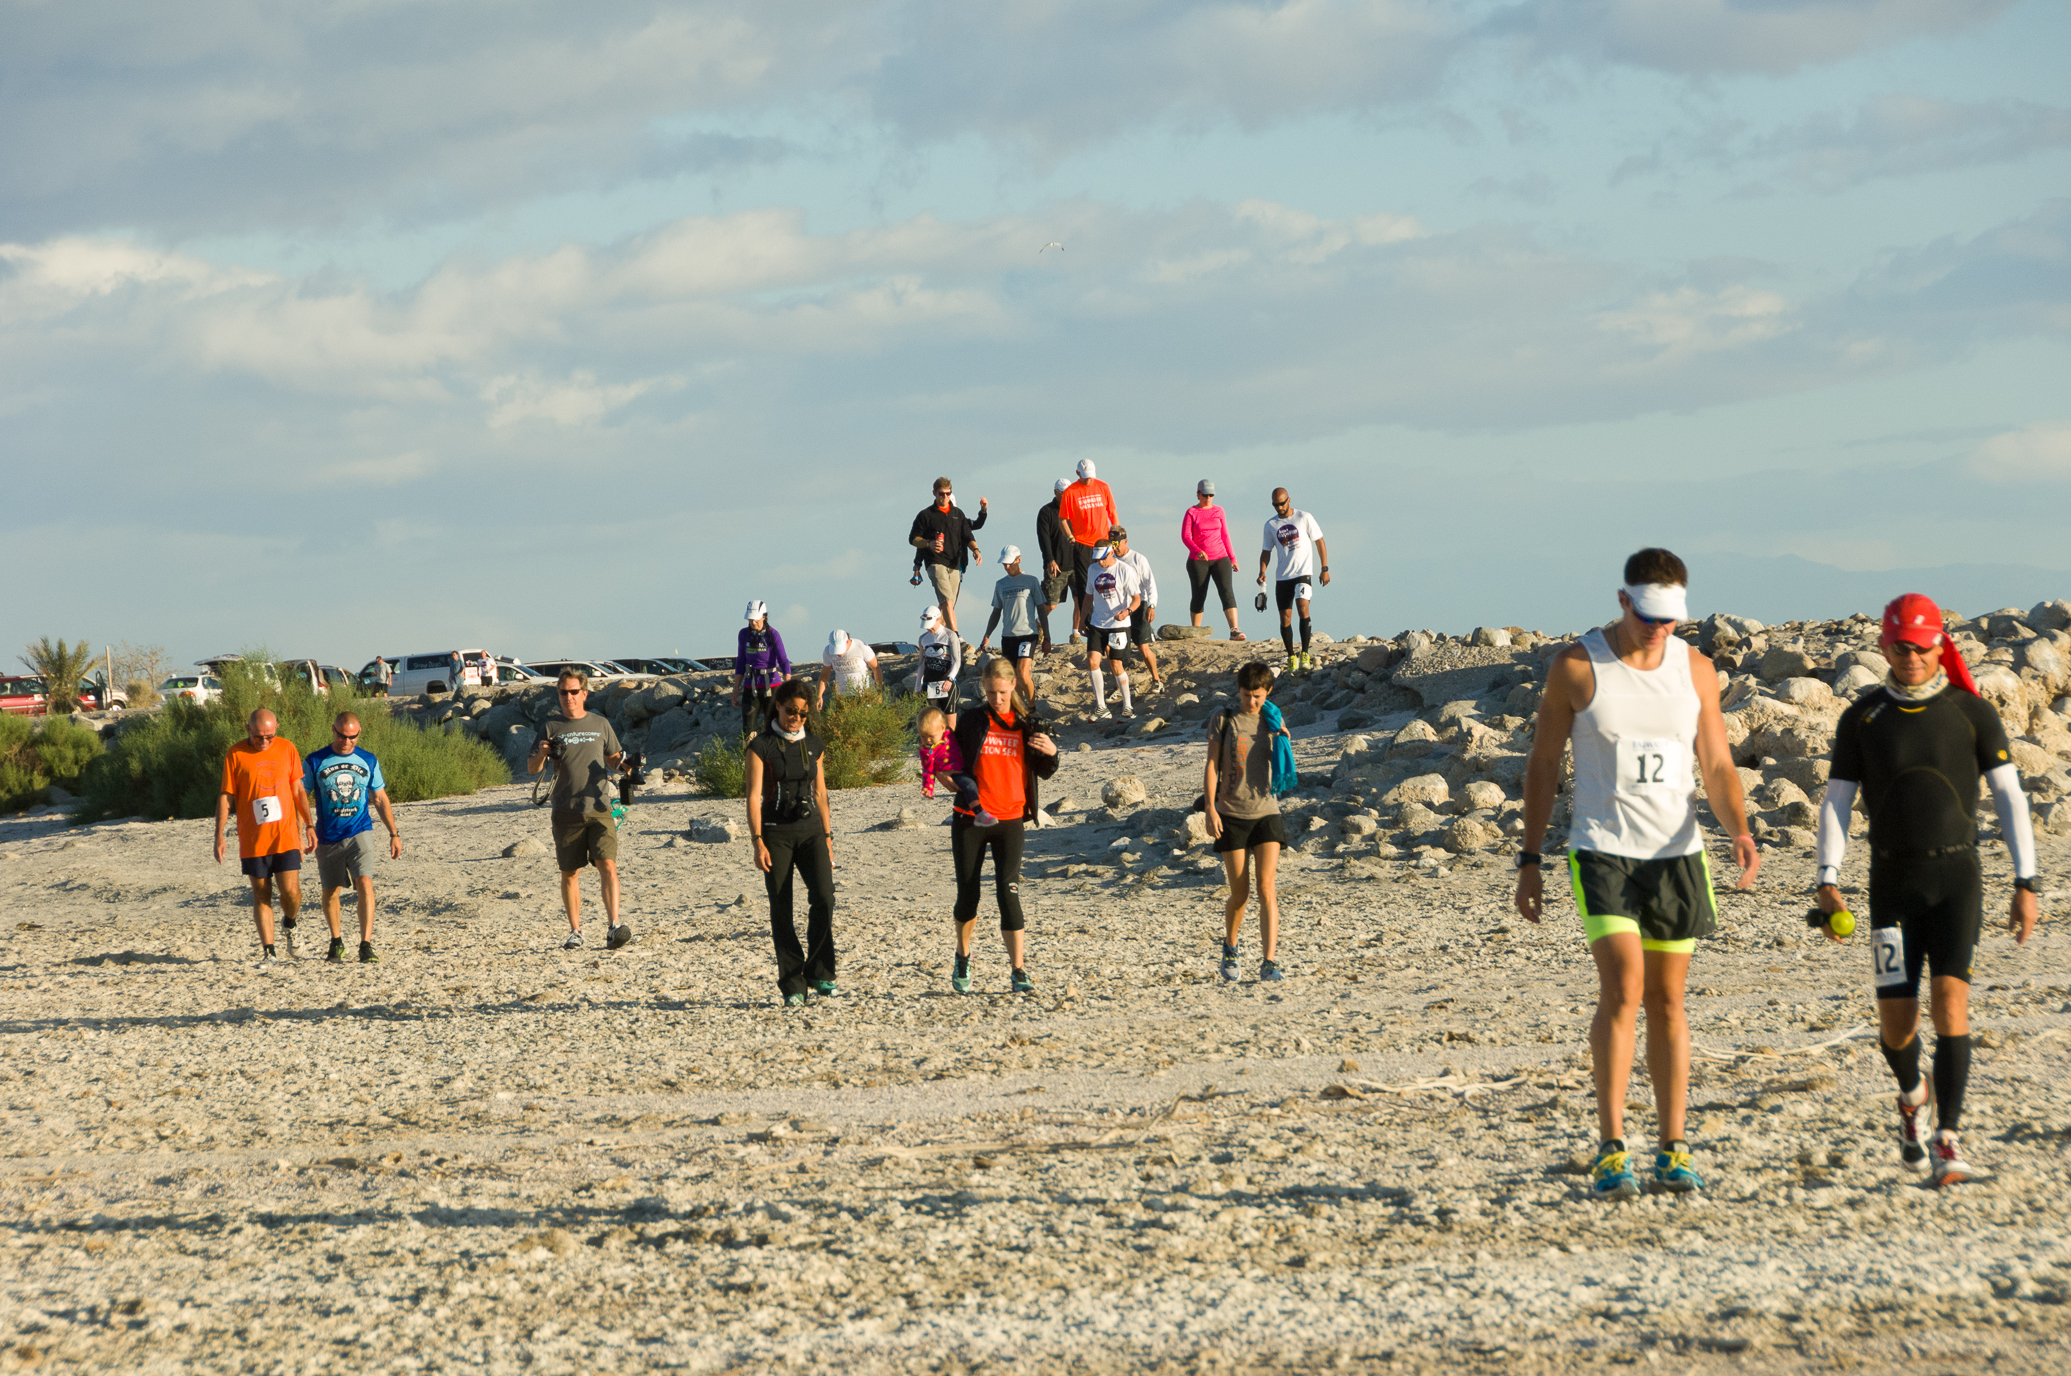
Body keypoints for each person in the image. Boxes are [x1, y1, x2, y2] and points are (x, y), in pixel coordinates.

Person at [1514, 549, 1761, 1201]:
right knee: (1623, 987)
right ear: (1623, 602)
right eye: (1648, 616)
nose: (1659, 629)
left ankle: (1673, 1147)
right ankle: (1610, 1146)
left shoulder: (1695, 669)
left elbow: (1716, 764)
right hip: (1602, 849)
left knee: (1668, 1000)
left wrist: (1737, 827)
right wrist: (1529, 857)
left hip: (1676, 855)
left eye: (1670, 619)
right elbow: (1542, 766)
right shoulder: (1575, 665)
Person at [1815, 593, 2039, 1187]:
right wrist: (1827, 879)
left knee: (1949, 1003)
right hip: (1890, 882)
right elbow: (1837, 801)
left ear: (1940, 645)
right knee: (1897, 1022)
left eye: (1921, 645)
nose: (1911, 656)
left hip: (1956, 878)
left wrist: (2026, 880)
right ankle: (1912, 1096)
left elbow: (2011, 799)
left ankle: (1947, 1139)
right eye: (1900, 646)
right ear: (1886, 647)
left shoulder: (1972, 712)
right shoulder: (1862, 717)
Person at [946, 658, 1060, 994]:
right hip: (971, 819)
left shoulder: (1026, 723)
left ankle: (1018, 969)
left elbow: (1045, 769)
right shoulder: (972, 720)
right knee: (968, 895)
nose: (997, 698)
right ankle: (963, 956)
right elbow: (952, 762)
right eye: (991, 692)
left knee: (1009, 892)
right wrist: (946, 776)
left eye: (1002, 691)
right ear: (984, 687)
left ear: (1013, 686)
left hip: (1011, 819)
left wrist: (1053, 752)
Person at [745, 680, 837, 1006]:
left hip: (811, 830)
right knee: (781, 908)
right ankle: (793, 984)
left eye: (801, 713)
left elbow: (821, 794)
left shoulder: (815, 744)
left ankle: (820, 972)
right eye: (789, 711)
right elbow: (754, 797)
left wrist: (827, 838)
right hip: (775, 834)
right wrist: (757, 842)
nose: (795, 718)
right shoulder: (762, 746)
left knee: (825, 897)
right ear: (778, 707)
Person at [526, 670, 630, 951]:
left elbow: (614, 759)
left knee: (607, 864)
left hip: (599, 807)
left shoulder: (600, 723)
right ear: (558, 695)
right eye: (563, 692)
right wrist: (543, 753)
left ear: (585, 693)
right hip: (565, 810)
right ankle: (575, 931)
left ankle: (614, 926)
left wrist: (627, 766)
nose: (568, 697)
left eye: (574, 692)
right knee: (570, 871)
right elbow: (532, 768)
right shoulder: (550, 727)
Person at [1204, 661, 1291, 982]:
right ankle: (1230, 945)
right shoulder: (1224, 719)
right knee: (1239, 895)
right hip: (1231, 814)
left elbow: (1281, 759)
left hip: (1266, 811)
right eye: (1246, 695)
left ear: (1267, 692)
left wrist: (1283, 737)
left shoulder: (1273, 719)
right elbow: (1212, 765)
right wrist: (1211, 810)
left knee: (1267, 888)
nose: (1251, 701)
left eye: (1257, 695)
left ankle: (1269, 961)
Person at [215, 708, 317, 966]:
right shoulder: (235, 754)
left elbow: (297, 789)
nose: (264, 742)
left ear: (277, 729)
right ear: (248, 729)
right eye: (259, 736)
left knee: (291, 892)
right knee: (261, 894)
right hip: (253, 838)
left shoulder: (287, 748)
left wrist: (308, 824)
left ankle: (290, 923)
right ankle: (269, 952)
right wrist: (219, 835)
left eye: (269, 736)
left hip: (286, 835)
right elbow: (226, 796)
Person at [303, 711, 401, 963]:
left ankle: (365, 944)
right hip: (327, 836)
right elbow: (300, 796)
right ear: (333, 730)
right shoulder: (315, 760)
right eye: (342, 736)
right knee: (331, 891)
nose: (346, 741)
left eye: (352, 737)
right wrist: (306, 827)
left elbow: (379, 798)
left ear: (358, 734)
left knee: (365, 883)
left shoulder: (368, 760)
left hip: (360, 831)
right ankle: (336, 941)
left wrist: (394, 833)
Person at [1257, 488, 1330, 673]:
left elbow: (1319, 541)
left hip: (1303, 572)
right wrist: (1262, 571)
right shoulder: (1270, 525)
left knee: (1302, 607)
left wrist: (1324, 568)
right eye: (1276, 505)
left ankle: (1304, 653)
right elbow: (1266, 551)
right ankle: (1291, 656)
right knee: (1285, 618)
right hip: (1283, 576)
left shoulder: (1304, 517)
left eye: (1282, 503)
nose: (1279, 508)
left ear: (1289, 500)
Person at [908, 478, 987, 638]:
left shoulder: (958, 514)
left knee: (949, 605)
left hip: (955, 565)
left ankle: (935, 636)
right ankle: (955, 637)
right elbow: (913, 540)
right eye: (942, 494)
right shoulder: (926, 515)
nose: (945, 497)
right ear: (934, 493)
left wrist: (976, 550)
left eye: (948, 494)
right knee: (947, 602)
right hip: (935, 563)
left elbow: (968, 533)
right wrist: (927, 547)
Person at [1060, 459, 1120, 642]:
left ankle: (1110, 622)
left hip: (1102, 542)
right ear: (1078, 474)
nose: (1088, 480)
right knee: (1085, 586)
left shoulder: (1103, 486)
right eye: (1085, 477)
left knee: (1108, 582)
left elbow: (1112, 512)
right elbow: (1063, 519)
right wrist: (1070, 537)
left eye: (1090, 477)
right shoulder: (1070, 492)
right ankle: (1088, 625)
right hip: (1082, 544)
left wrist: (1116, 533)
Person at [1083, 542, 1143, 720]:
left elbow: (1136, 599)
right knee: (1092, 661)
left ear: (1111, 554)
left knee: (1116, 664)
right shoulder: (1092, 570)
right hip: (1097, 623)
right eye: (1097, 559)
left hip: (1119, 624)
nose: (1100, 562)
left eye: (1103, 558)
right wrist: (1081, 620)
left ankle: (1128, 705)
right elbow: (1088, 596)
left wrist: (1127, 612)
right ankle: (1101, 707)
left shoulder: (1125, 570)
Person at [978, 546, 1046, 701]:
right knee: (1012, 677)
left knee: (1022, 672)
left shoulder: (1031, 581)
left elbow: (1041, 609)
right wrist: (987, 635)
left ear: (1019, 559)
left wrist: (1047, 637)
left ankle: (1032, 710)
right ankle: (1019, 710)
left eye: (1009, 563)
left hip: (1028, 634)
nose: (1007, 567)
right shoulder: (1000, 584)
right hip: (1008, 636)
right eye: (1004, 564)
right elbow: (996, 612)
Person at [1182, 480, 1243, 640]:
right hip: (1198, 560)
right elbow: (1186, 536)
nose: (1208, 498)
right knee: (1199, 595)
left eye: (1211, 495)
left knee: (1227, 592)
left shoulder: (1219, 511)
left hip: (1220, 557)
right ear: (1198, 494)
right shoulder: (1191, 512)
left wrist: (1233, 558)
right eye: (1205, 495)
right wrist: (1197, 550)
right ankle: (1196, 632)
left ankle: (1234, 630)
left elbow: (1225, 535)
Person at [1109, 527, 1164, 689]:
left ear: (1125, 541)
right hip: (1119, 609)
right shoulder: (1109, 560)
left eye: (1117, 543)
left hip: (1138, 606)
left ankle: (1156, 680)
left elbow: (1149, 583)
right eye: (1112, 543)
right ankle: (1118, 686)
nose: (1115, 546)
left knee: (1143, 646)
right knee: (1113, 649)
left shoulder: (1138, 559)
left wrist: (1152, 605)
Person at [732, 601, 791, 740]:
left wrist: (788, 685)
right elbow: (740, 661)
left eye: (756, 619)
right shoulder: (743, 634)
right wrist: (736, 689)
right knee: (748, 728)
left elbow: (783, 660)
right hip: (750, 685)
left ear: (764, 616)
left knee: (774, 725)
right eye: (750, 619)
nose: (753, 622)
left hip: (771, 686)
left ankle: (773, 756)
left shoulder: (773, 635)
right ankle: (751, 757)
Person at [1035, 478, 1071, 650]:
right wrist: (1050, 559)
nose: (1065, 496)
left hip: (1076, 561)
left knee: (1080, 600)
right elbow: (1044, 539)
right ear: (1055, 492)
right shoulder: (1046, 512)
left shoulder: (1075, 509)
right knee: (1051, 603)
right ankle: (1039, 625)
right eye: (1062, 493)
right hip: (1056, 563)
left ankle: (1076, 634)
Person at [818, 630, 882, 707]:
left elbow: (876, 668)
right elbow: (824, 675)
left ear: (847, 642)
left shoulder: (861, 647)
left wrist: (879, 691)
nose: (839, 654)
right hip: (842, 696)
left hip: (865, 693)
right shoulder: (827, 652)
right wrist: (819, 696)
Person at [915, 707, 966, 801]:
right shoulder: (927, 751)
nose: (927, 740)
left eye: (931, 736)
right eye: (923, 736)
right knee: (964, 789)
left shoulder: (950, 735)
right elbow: (928, 770)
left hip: (963, 768)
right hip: (949, 774)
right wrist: (928, 788)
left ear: (943, 728)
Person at [918, 606, 963, 712]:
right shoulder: (923, 638)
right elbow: (921, 663)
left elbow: (957, 660)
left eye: (931, 625)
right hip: (928, 684)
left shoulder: (950, 635)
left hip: (946, 684)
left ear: (939, 619)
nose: (928, 629)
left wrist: (950, 678)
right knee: (929, 720)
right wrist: (917, 687)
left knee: (949, 723)